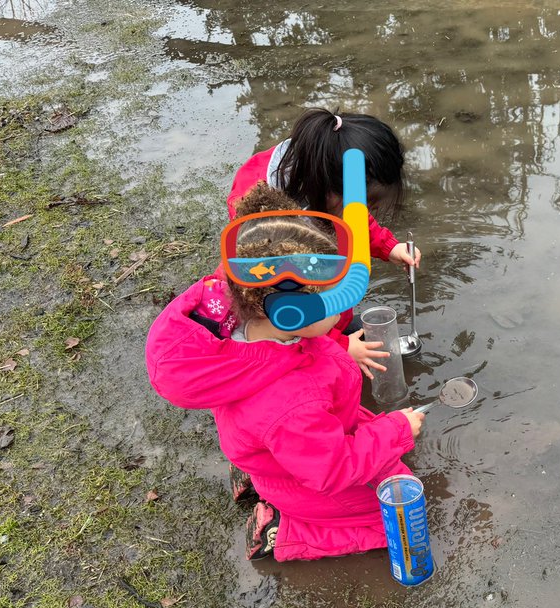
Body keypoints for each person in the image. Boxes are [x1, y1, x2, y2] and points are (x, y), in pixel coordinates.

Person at [145, 183, 425, 561]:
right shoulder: (291, 402)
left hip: (280, 449)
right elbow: (334, 469)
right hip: (306, 469)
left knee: (362, 448)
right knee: (397, 510)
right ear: (292, 315)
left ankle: (255, 474)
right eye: (334, 304)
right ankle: (284, 529)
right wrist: (396, 432)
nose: (342, 316)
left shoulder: (240, 307)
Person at [226, 108, 422, 353]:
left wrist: (389, 246)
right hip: (286, 333)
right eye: (365, 203)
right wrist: (339, 347)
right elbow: (289, 316)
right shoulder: (268, 232)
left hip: (319, 310)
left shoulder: (324, 169)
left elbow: (354, 222)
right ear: (329, 192)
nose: (367, 211)